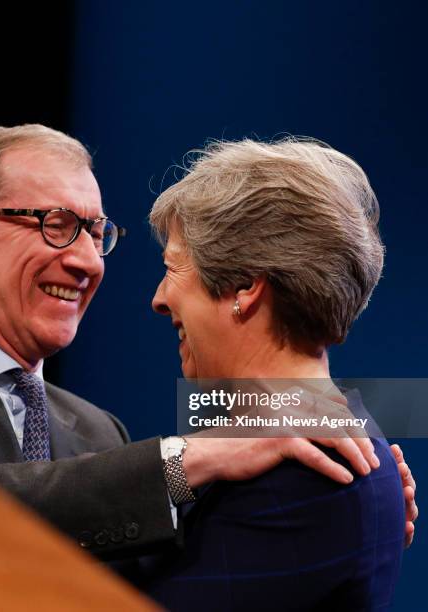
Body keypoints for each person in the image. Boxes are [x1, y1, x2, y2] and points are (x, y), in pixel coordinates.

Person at [0, 126, 415, 567]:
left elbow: (148, 580)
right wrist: (192, 454)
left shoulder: (97, 429)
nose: (90, 262)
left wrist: (350, 512)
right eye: (56, 225)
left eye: (96, 233)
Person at [137, 137, 414, 610]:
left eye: (173, 268)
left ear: (246, 286)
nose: (159, 299)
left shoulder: (304, 471)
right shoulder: (307, 438)